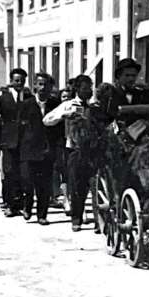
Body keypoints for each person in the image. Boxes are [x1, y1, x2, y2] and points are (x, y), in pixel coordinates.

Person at [43, 74, 95, 232]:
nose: (89, 92)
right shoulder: (69, 105)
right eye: (85, 89)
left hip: (92, 150)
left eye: (90, 88)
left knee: (93, 184)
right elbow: (47, 119)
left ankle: (99, 220)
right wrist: (64, 115)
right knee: (76, 185)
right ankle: (76, 218)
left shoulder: (94, 106)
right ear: (77, 89)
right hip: (74, 149)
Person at [19, 73, 61, 225]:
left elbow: (60, 128)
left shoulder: (56, 104)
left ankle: (42, 215)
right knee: (28, 182)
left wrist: (57, 147)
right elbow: (20, 128)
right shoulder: (26, 104)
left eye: (47, 85)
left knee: (44, 185)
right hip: (29, 150)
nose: (43, 88)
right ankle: (27, 205)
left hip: (47, 150)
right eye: (40, 84)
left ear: (51, 88)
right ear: (35, 86)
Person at [0, 68, 30, 217]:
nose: (19, 83)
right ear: (11, 81)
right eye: (16, 80)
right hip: (7, 141)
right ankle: (10, 205)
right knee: (9, 173)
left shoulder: (29, 98)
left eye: (22, 80)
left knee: (23, 174)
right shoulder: (3, 99)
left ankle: (21, 205)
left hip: (24, 142)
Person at [111, 57, 149, 125]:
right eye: (127, 75)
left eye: (133, 76)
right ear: (119, 76)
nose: (131, 79)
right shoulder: (112, 94)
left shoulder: (142, 94)